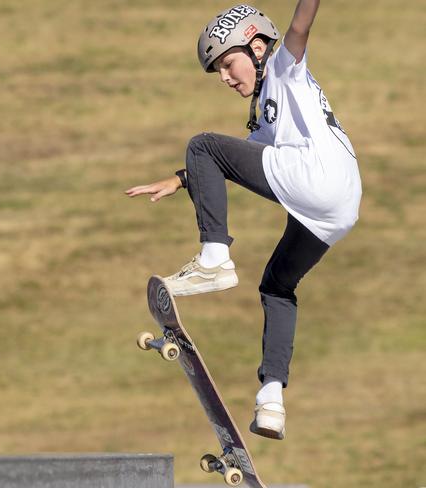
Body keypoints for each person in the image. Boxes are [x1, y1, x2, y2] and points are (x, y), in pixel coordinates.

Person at [125, 1, 361, 440]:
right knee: (277, 286)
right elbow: (239, 158)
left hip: (314, 177)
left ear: (257, 45)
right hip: (341, 203)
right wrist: (180, 180)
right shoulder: (274, 108)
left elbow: (300, 26)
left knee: (202, 143)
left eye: (229, 64)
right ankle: (271, 400)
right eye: (218, 72)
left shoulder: (285, 67)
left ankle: (214, 259)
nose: (227, 78)